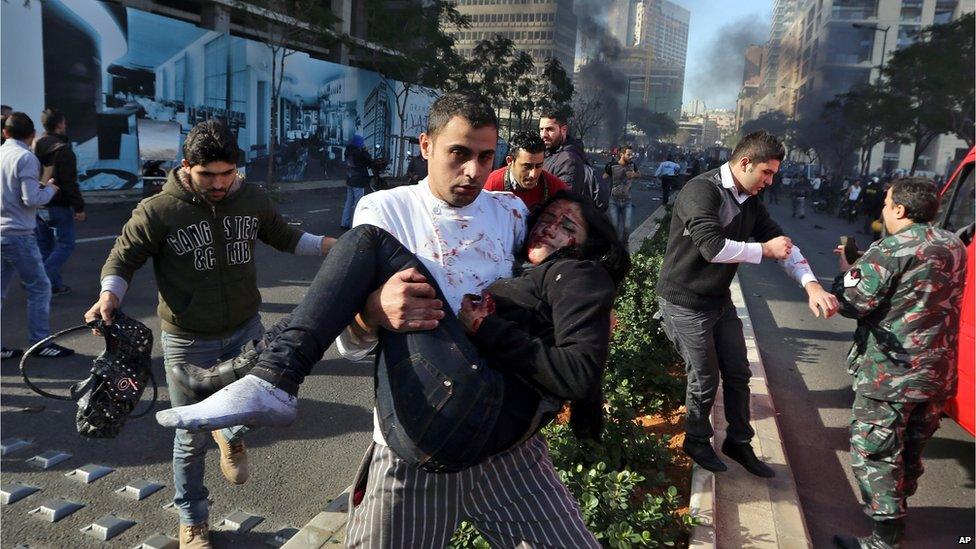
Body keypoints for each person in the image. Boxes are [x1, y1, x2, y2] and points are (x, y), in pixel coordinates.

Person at [161, 93, 609, 547]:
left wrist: (588, 320)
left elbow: (543, 288)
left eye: (485, 156)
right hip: (415, 439)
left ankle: (263, 375)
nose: (473, 171)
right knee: (369, 241)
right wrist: (373, 312)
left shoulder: (511, 214)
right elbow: (354, 346)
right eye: (459, 153)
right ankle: (266, 377)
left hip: (508, 449)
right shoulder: (385, 210)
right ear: (426, 145)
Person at [83, 120, 335, 549]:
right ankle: (193, 519)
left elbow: (288, 237)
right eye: (208, 176)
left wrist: (339, 247)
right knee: (189, 436)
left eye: (227, 173)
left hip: (246, 333)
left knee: (250, 411)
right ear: (186, 167)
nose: (219, 184)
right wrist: (109, 295)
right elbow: (121, 260)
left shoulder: (251, 199)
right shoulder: (159, 211)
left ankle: (231, 436)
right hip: (187, 342)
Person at [656, 130, 839, 478]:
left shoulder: (749, 201)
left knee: (739, 373)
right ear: (744, 163)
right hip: (684, 301)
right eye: (766, 173)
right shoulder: (702, 191)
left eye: (773, 174)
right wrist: (764, 251)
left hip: (718, 301)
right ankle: (696, 440)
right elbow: (713, 247)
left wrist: (812, 286)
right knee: (705, 375)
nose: (770, 182)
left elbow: (782, 244)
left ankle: (738, 441)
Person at [830, 178, 966, 549]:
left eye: (886, 204)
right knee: (909, 450)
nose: (883, 210)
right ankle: (896, 513)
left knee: (874, 451)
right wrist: (861, 266)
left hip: (890, 376)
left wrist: (846, 270)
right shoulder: (954, 244)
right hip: (936, 375)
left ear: (900, 210)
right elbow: (912, 286)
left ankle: (884, 539)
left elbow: (852, 302)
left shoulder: (889, 249)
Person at [1, 112, 74, 359]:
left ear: (5, 132)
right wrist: (51, 188)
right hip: (19, 233)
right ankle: (40, 343)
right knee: (40, 287)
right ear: (32, 135)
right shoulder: (25, 158)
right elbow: (31, 199)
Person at [34, 108, 85, 296]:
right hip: (57, 203)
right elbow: (69, 182)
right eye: (63, 123)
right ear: (59, 125)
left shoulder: (34, 145)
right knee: (65, 244)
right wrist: (79, 207)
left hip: (38, 203)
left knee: (45, 246)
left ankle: (53, 286)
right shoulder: (63, 150)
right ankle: (40, 279)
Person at [539, 107, 607, 210]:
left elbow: (562, 206)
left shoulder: (568, 160)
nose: (543, 134)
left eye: (549, 129)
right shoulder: (550, 153)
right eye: (541, 129)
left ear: (563, 130)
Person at [484, 130, 568, 210]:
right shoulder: (490, 188)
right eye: (527, 166)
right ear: (510, 161)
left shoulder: (556, 189)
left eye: (538, 166)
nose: (533, 174)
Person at [607, 145, 639, 245]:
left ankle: (624, 244)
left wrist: (634, 175)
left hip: (627, 201)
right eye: (629, 154)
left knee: (627, 226)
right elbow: (604, 176)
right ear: (622, 154)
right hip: (614, 200)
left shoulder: (632, 165)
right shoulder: (612, 165)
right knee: (615, 225)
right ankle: (615, 245)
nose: (631, 156)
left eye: (631, 155)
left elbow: (639, 174)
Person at [341, 135, 372, 229]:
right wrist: (365, 151)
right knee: (358, 203)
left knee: (349, 202)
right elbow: (369, 161)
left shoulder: (348, 151)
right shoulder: (359, 152)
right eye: (362, 142)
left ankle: (344, 223)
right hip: (358, 180)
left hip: (350, 178)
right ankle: (355, 224)